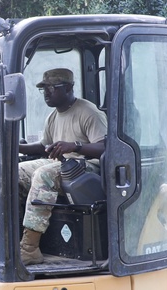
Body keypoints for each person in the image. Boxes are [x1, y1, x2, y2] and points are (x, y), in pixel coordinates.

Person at [18, 68, 107, 265]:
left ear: (68, 88)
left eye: (52, 88)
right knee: (15, 172)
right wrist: (17, 147)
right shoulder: (53, 117)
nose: (47, 93)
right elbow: (44, 146)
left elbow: (105, 148)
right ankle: (14, 237)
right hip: (62, 164)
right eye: (44, 89)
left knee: (44, 175)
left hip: (87, 169)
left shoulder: (88, 112)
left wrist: (75, 146)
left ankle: (30, 248)